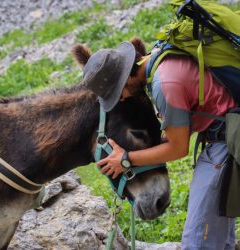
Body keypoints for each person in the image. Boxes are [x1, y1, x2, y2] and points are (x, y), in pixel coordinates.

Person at [82, 40, 237, 249]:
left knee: (197, 240)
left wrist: (125, 159)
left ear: (126, 78)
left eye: (118, 94)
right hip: (225, 133)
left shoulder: (164, 85)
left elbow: (178, 148)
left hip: (226, 143)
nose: (122, 99)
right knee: (218, 233)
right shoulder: (160, 58)